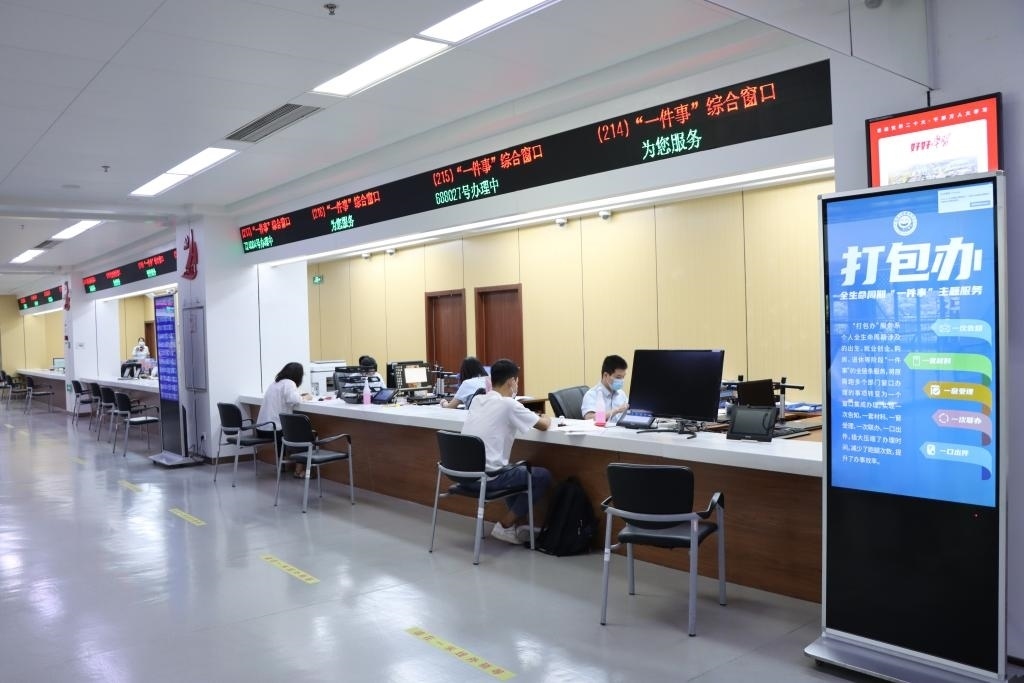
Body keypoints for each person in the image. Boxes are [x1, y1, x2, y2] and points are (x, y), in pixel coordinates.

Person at [461, 358, 552, 544]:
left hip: (463, 475)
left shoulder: (477, 400)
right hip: (488, 478)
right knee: (542, 476)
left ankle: (514, 525)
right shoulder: (509, 404)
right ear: (511, 382)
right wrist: (546, 417)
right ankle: (505, 525)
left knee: (514, 470)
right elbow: (543, 425)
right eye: (517, 381)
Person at [256, 362, 313, 478]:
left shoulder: (274, 384)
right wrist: (306, 397)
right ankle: (300, 472)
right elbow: (294, 400)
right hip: (275, 430)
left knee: (295, 431)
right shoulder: (289, 383)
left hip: (262, 429)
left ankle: (282, 465)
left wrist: (299, 396)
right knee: (305, 435)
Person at [581, 354, 630, 425]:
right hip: (602, 431)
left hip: (620, 430)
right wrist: (616, 410)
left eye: (623, 377)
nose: (621, 380)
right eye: (618, 377)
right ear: (606, 375)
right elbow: (590, 418)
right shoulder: (591, 395)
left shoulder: (621, 393)